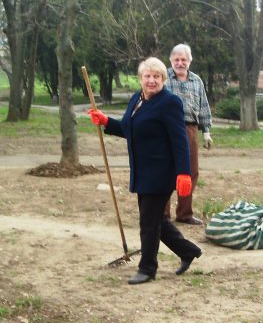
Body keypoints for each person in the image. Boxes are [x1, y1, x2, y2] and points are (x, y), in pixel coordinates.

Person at [87, 57, 202, 285]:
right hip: (142, 170)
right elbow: (129, 129)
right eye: (147, 76)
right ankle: (188, 251)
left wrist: (184, 172)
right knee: (155, 219)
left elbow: (180, 140)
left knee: (149, 222)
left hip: (161, 172)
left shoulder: (169, 103)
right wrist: (106, 121)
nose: (151, 81)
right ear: (140, 79)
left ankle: (147, 268)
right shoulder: (136, 99)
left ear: (163, 79)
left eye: (157, 76)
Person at [163, 44, 213, 225]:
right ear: (170, 60)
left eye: (184, 59)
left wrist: (206, 132)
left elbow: (203, 108)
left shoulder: (197, 81)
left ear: (190, 61)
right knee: (166, 171)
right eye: (176, 59)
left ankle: (184, 214)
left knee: (190, 171)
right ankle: (163, 214)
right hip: (166, 128)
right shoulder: (163, 78)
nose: (180, 63)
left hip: (190, 129)